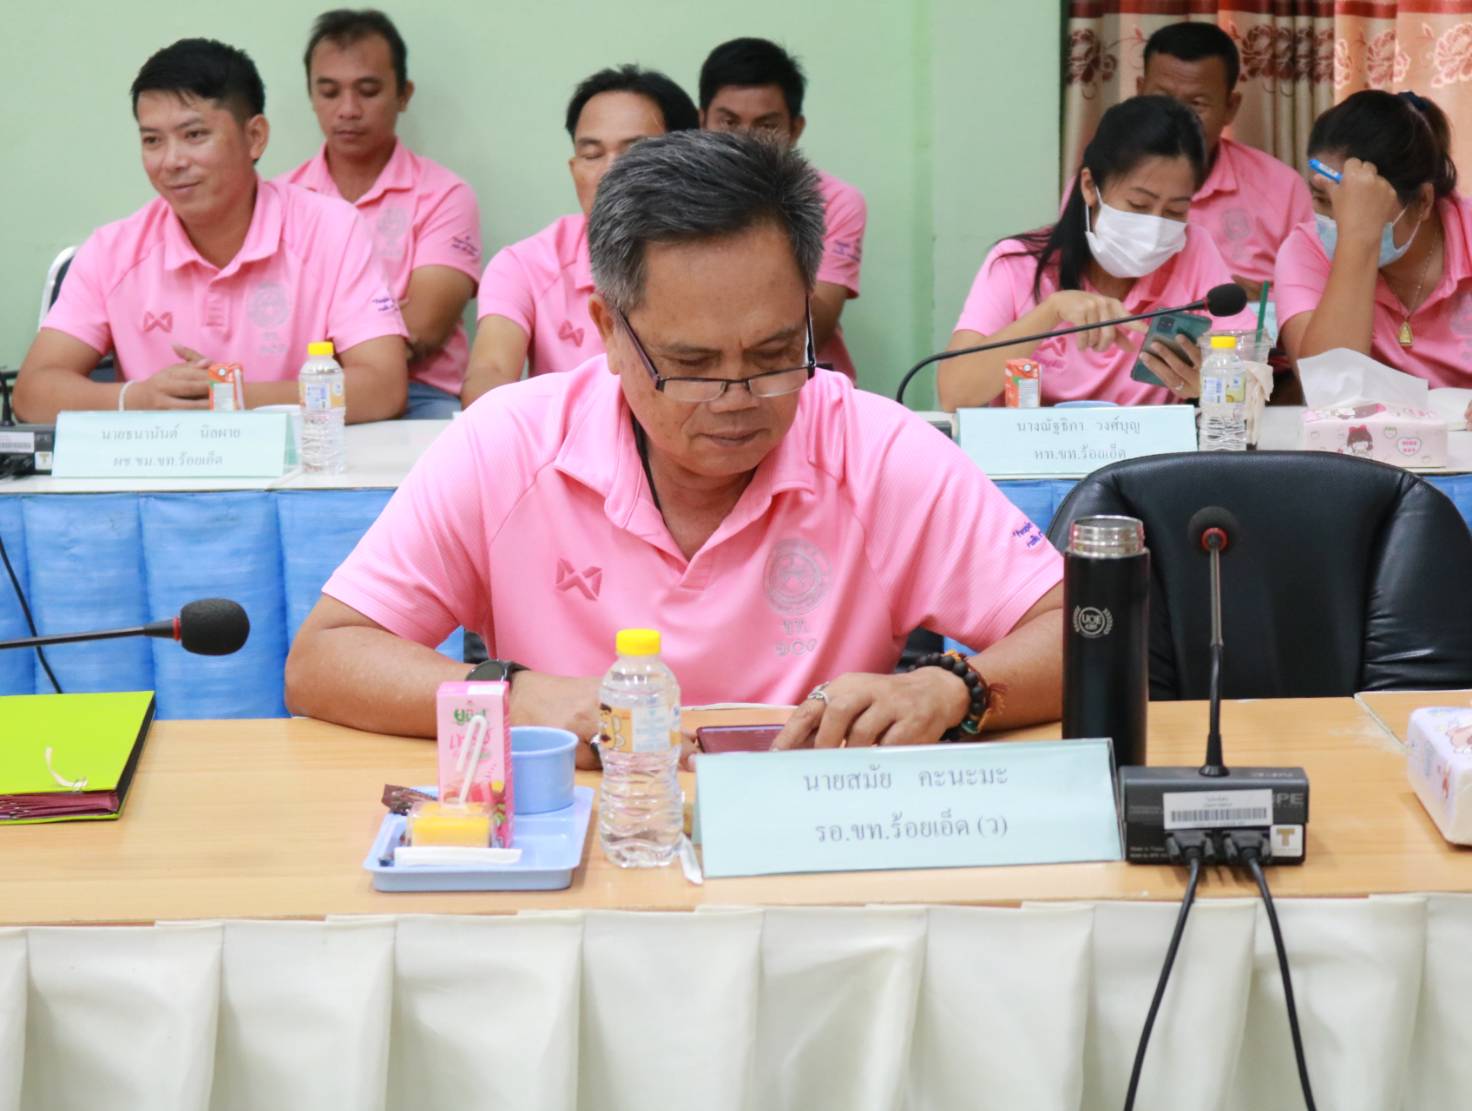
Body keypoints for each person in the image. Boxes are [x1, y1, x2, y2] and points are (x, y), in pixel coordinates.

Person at [286, 131, 1064, 765]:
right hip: (590, 839)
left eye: (773, 354)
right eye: (691, 364)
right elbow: (326, 658)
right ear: (608, 331)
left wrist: (955, 687)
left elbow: (1081, 626)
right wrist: (514, 696)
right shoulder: (510, 445)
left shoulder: (877, 449)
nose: (737, 397)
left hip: (809, 842)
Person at [15, 38, 408, 423]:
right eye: (152, 140)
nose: (172, 161)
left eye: (194, 135)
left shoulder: (332, 230)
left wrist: (227, 396)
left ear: (254, 137)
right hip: (161, 461)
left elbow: (383, 386)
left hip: (296, 461)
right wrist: (138, 399)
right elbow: (32, 393)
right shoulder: (112, 251)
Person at [940, 96, 1253, 410]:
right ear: (1090, 187)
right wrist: (1050, 312)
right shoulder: (1016, 264)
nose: (1155, 227)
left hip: (1150, 443)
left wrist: (1210, 387)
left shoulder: (1194, 250)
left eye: (1175, 211)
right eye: (1139, 205)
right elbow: (954, 394)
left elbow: (1251, 379)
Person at [279, 9, 483, 419]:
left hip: (421, 395)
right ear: (312, 97)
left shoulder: (443, 195)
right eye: (329, 92)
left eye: (368, 91)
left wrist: (333, 359)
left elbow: (424, 325)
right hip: (303, 393)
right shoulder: (282, 199)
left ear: (403, 94)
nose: (348, 109)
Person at [459, 66, 696, 407]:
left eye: (635, 152)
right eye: (592, 155)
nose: (610, 172)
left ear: (688, 161)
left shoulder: (723, 260)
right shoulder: (525, 265)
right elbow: (489, 374)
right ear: (574, 169)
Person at [1275, 90, 1472, 390]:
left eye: (1363, 205)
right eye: (1323, 200)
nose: (1341, 220)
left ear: (1423, 202)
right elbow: (1328, 388)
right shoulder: (1304, 249)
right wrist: (1357, 240)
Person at [699, 37, 866, 380]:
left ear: (795, 129)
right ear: (702, 121)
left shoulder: (836, 201)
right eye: (729, 122)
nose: (745, 139)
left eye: (766, 125)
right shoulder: (676, 197)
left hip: (808, 383)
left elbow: (814, 330)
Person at [1138, 22, 1312, 300]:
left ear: (1230, 108)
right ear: (1139, 93)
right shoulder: (1103, 180)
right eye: (1162, 100)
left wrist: (1263, 303)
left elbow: (1314, 297)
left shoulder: (1282, 188)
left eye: (1196, 104)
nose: (1176, 119)